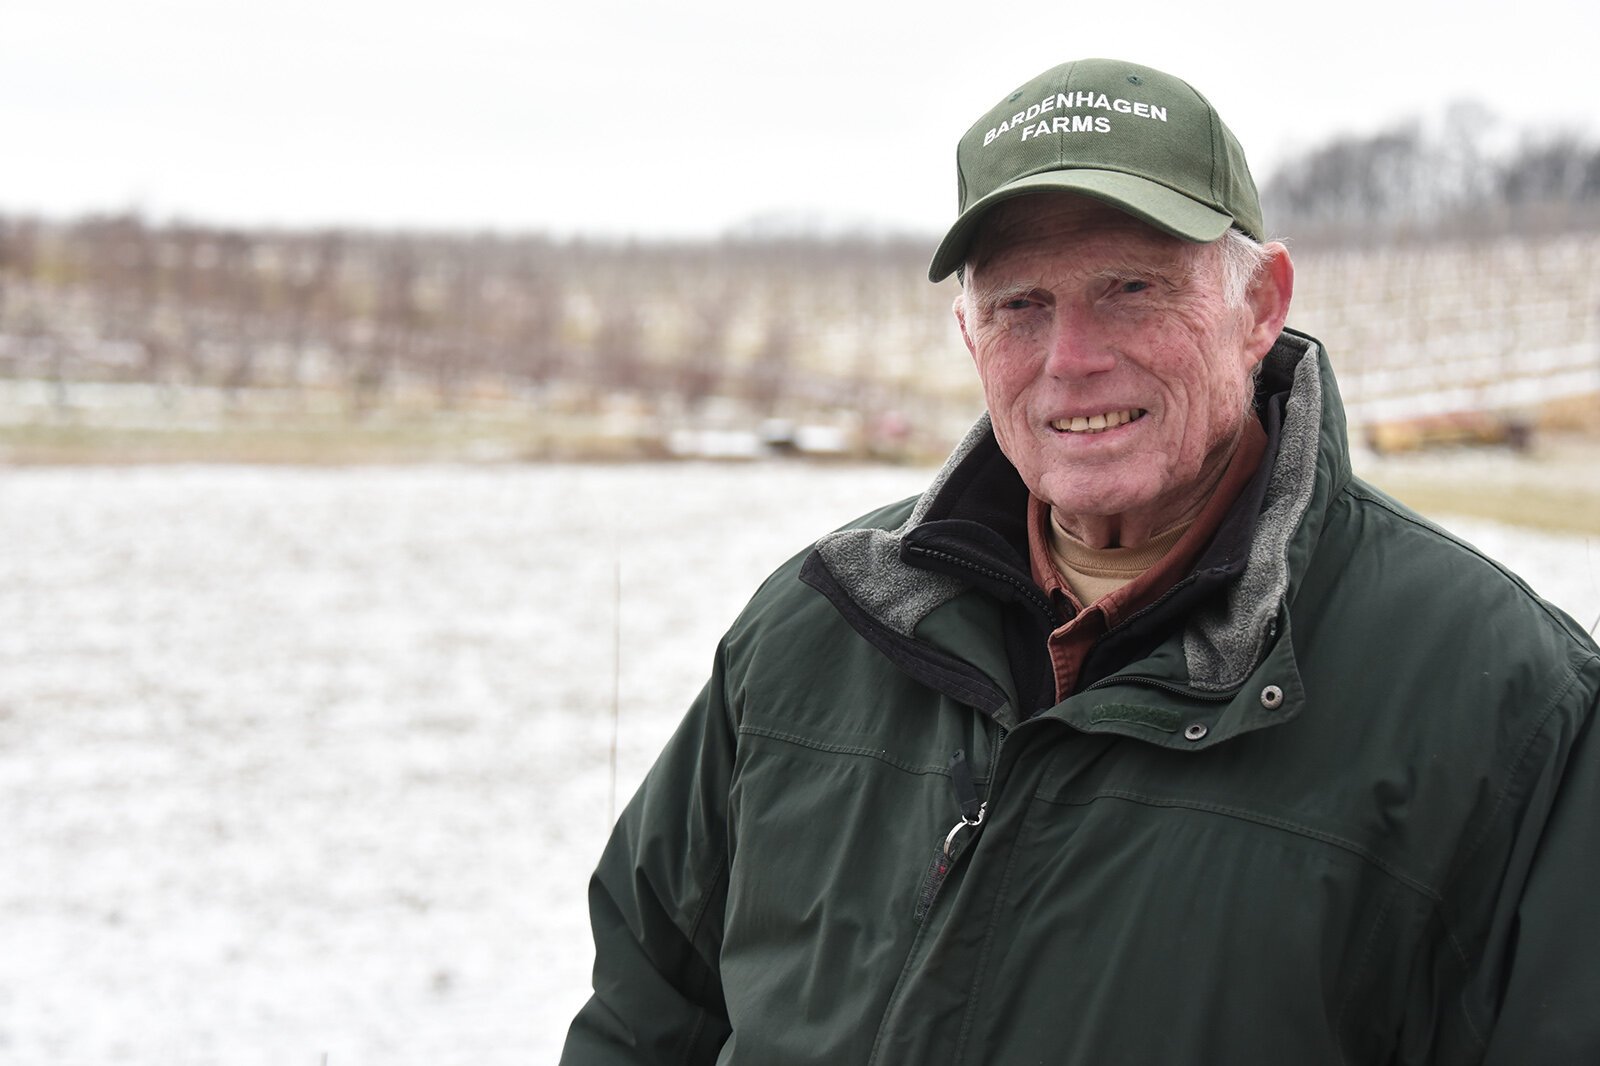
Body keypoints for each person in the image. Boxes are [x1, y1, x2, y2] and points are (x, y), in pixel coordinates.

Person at [559, 58, 1600, 1065]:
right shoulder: (814, 631)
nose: (1071, 360)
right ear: (969, 335)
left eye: (1131, 288)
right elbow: (646, 1009)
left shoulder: (1505, 698)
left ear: (1260, 305)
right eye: (1021, 305)